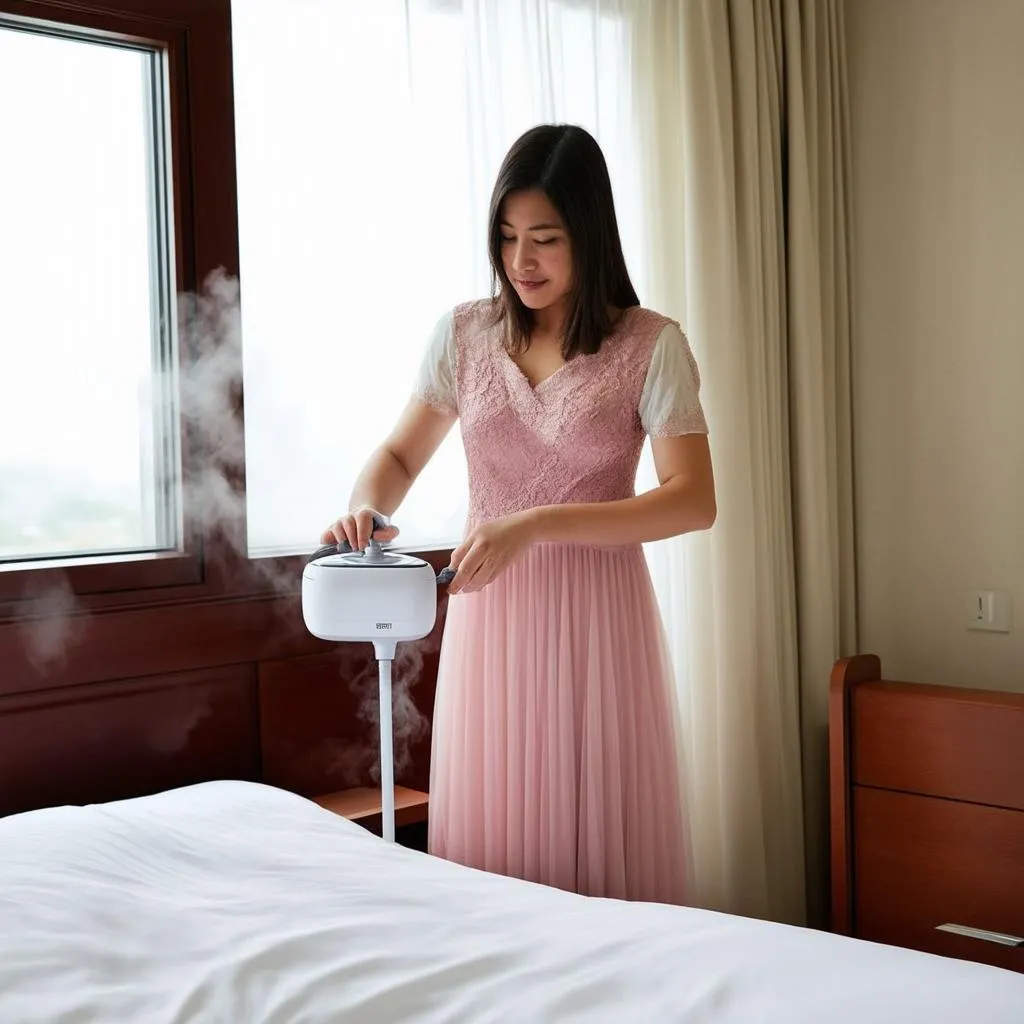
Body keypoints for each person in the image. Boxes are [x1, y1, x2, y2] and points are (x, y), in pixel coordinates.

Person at [322, 124, 716, 905]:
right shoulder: (465, 334)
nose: (520, 261)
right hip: (491, 623)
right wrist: (365, 508)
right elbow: (398, 457)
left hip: (599, 623)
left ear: (590, 234)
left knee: (595, 837)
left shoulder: (649, 345)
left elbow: (692, 500)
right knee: (496, 848)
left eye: (544, 238)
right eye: (506, 237)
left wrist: (536, 522)